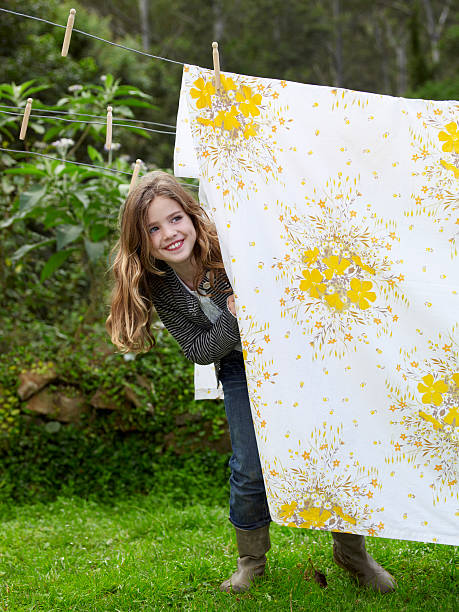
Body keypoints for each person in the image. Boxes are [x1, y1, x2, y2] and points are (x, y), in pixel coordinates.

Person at [106, 170, 396, 594]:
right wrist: (233, 318)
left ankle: (352, 553)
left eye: (175, 219)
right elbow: (199, 350)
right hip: (238, 370)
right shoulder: (160, 284)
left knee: (326, 448)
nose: (168, 233)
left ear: (191, 215)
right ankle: (251, 561)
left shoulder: (227, 248)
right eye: (153, 228)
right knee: (248, 466)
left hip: (293, 357)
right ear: (141, 239)